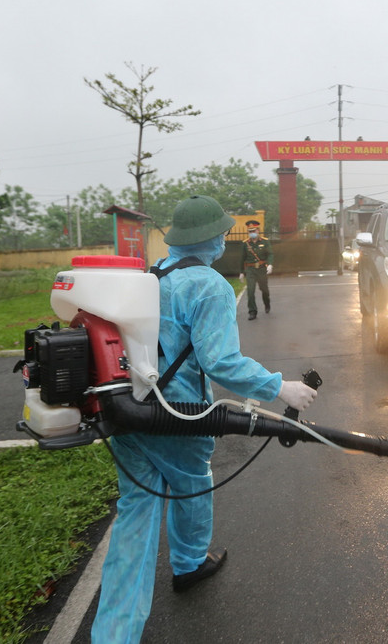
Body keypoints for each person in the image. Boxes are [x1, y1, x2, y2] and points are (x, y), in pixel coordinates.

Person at [91, 195, 317, 643]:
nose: (224, 239)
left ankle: (113, 634)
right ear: (210, 238)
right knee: (193, 483)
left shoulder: (150, 275)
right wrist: (281, 388)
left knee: (136, 512)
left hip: (129, 409)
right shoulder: (209, 285)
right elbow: (221, 363)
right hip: (178, 414)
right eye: (221, 233)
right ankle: (190, 564)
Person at [240, 218, 273, 320]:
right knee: (250, 291)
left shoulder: (265, 242)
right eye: (250, 231)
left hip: (262, 269)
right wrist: (241, 272)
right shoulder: (245, 243)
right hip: (250, 270)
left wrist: (270, 264)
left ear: (258, 230)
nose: (252, 233)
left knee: (264, 290)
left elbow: (270, 254)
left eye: (253, 231)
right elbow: (242, 258)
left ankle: (267, 303)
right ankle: (252, 311)